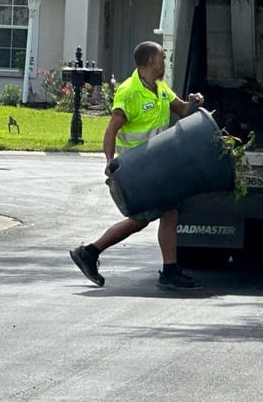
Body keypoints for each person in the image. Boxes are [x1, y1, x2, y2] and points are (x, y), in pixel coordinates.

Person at [69, 41, 206, 291]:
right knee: (158, 213)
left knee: (154, 215)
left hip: (156, 164)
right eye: (162, 58)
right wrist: (109, 163)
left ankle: (91, 252)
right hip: (138, 166)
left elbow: (183, 110)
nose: (165, 62)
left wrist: (194, 102)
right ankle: (167, 271)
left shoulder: (160, 88)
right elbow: (112, 129)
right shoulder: (129, 91)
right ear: (151, 61)